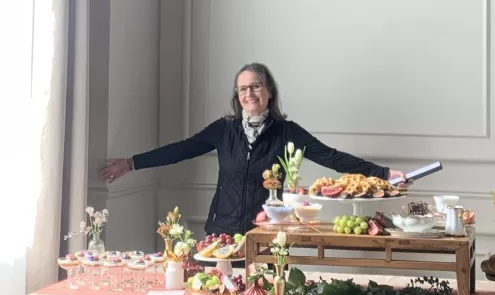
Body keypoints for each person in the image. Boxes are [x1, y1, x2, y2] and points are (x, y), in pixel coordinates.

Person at [101, 63, 404, 236]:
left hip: (266, 229)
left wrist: (383, 173)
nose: (249, 93)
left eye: (256, 86)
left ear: (269, 92)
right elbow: (181, 150)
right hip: (221, 228)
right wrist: (131, 163)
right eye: (243, 89)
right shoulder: (224, 129)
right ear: (237, 96)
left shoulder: (287, 132)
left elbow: (331, 157)